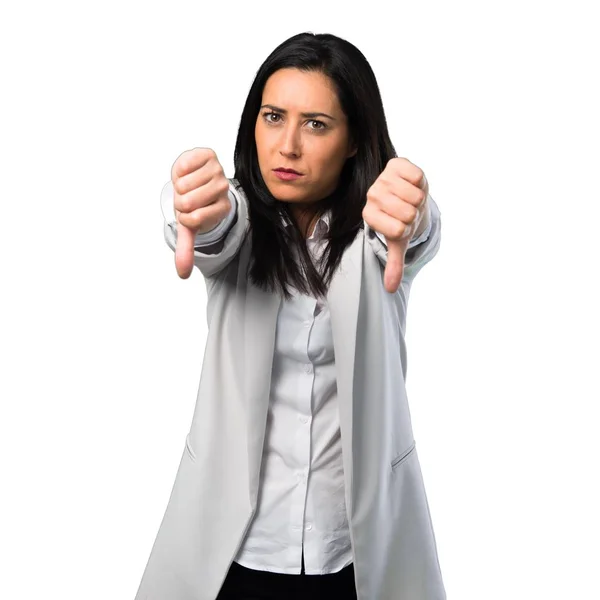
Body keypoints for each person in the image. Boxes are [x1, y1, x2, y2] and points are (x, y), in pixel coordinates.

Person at [135, 32, 445, 600]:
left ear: (355, 139)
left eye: (317, 124)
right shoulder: (240, 220)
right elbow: (213, 232)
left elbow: (413, 232)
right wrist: (191, 208)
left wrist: (415, 214)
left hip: (352, 555)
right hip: (237, 552)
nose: (287, 146)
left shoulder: (378, 236)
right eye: (273, 117)